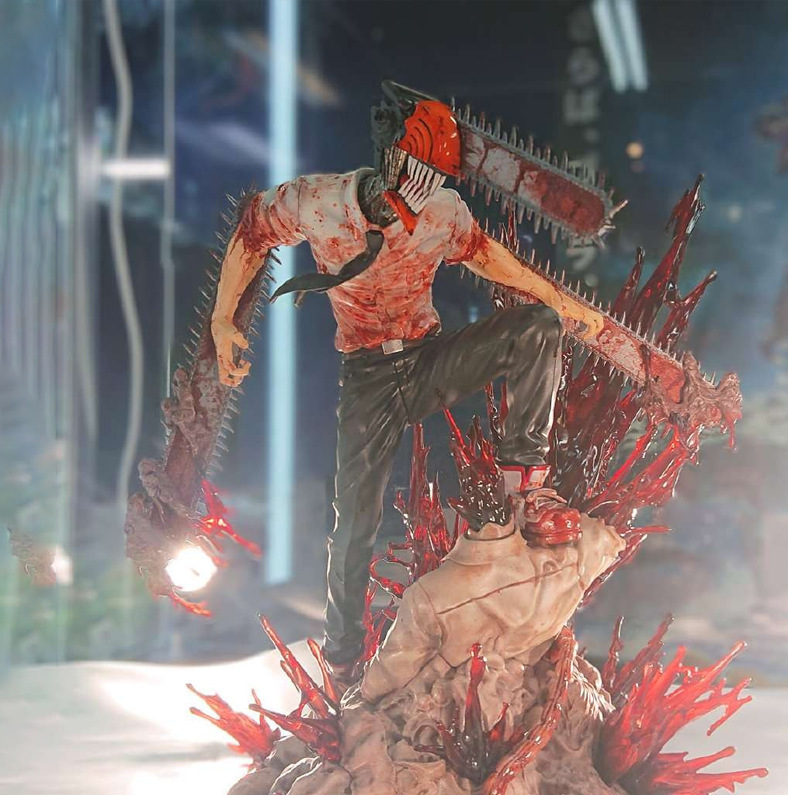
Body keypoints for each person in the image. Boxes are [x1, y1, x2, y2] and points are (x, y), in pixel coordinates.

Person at [209, 82, 604, 677]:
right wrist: (223, 320)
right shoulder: (318, 201)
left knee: (536, 327)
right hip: (368, 377)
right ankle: (343, 659)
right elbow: (251, 231)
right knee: (354, 522)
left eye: (433, 179)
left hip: (427, 361)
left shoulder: (443, 212)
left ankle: (527, 489)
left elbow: (493, 260)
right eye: (416, 175)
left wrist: (562, 305)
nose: (422, 192)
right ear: (390, 157)